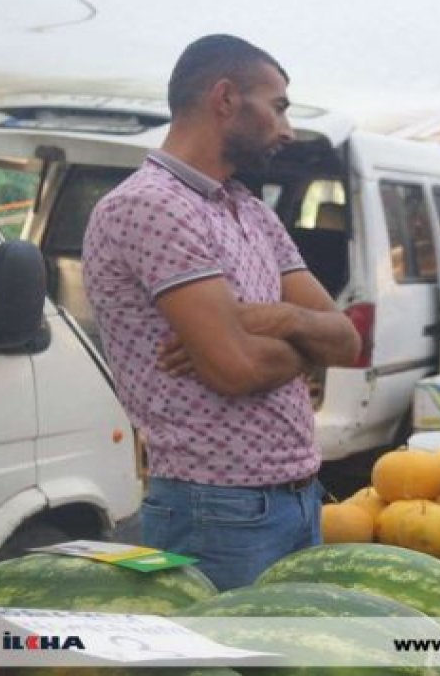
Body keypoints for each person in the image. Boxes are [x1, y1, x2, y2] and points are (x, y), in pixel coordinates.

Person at [83, 35, 361, 590]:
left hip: (294, 498)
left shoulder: (250, 212)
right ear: (226, 98)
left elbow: (348, 342)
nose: (286, 129)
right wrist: (299, 346)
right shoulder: (150, 205)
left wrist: (279, 321)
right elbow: (234, 369)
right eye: (278, 107)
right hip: (217, 511)